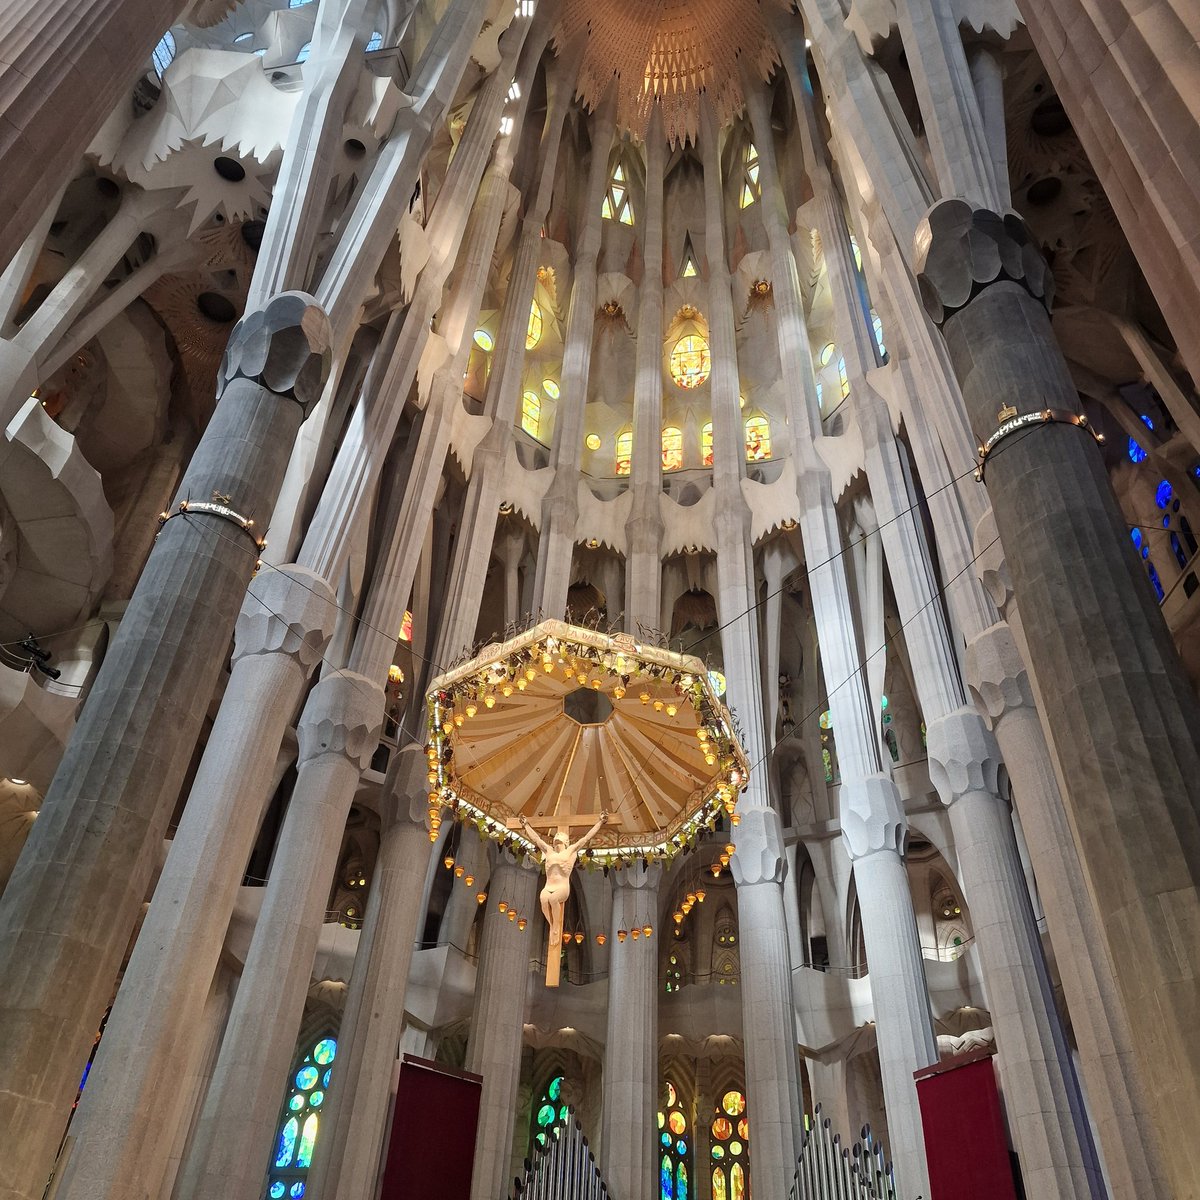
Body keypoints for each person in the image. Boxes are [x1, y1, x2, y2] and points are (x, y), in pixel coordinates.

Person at [520, 811, 608, 945]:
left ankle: (556, 927)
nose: (558, 838)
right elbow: (536, 839)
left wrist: (600, 822)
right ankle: (552, 925)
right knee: (544, 900)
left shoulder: (571, 851)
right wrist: (526, 825)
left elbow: (585, 839)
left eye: (561, 837)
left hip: (562, 887)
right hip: (549, 886)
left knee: (553, 899)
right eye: (557, 836)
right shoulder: (549, 851)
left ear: (566, 841)